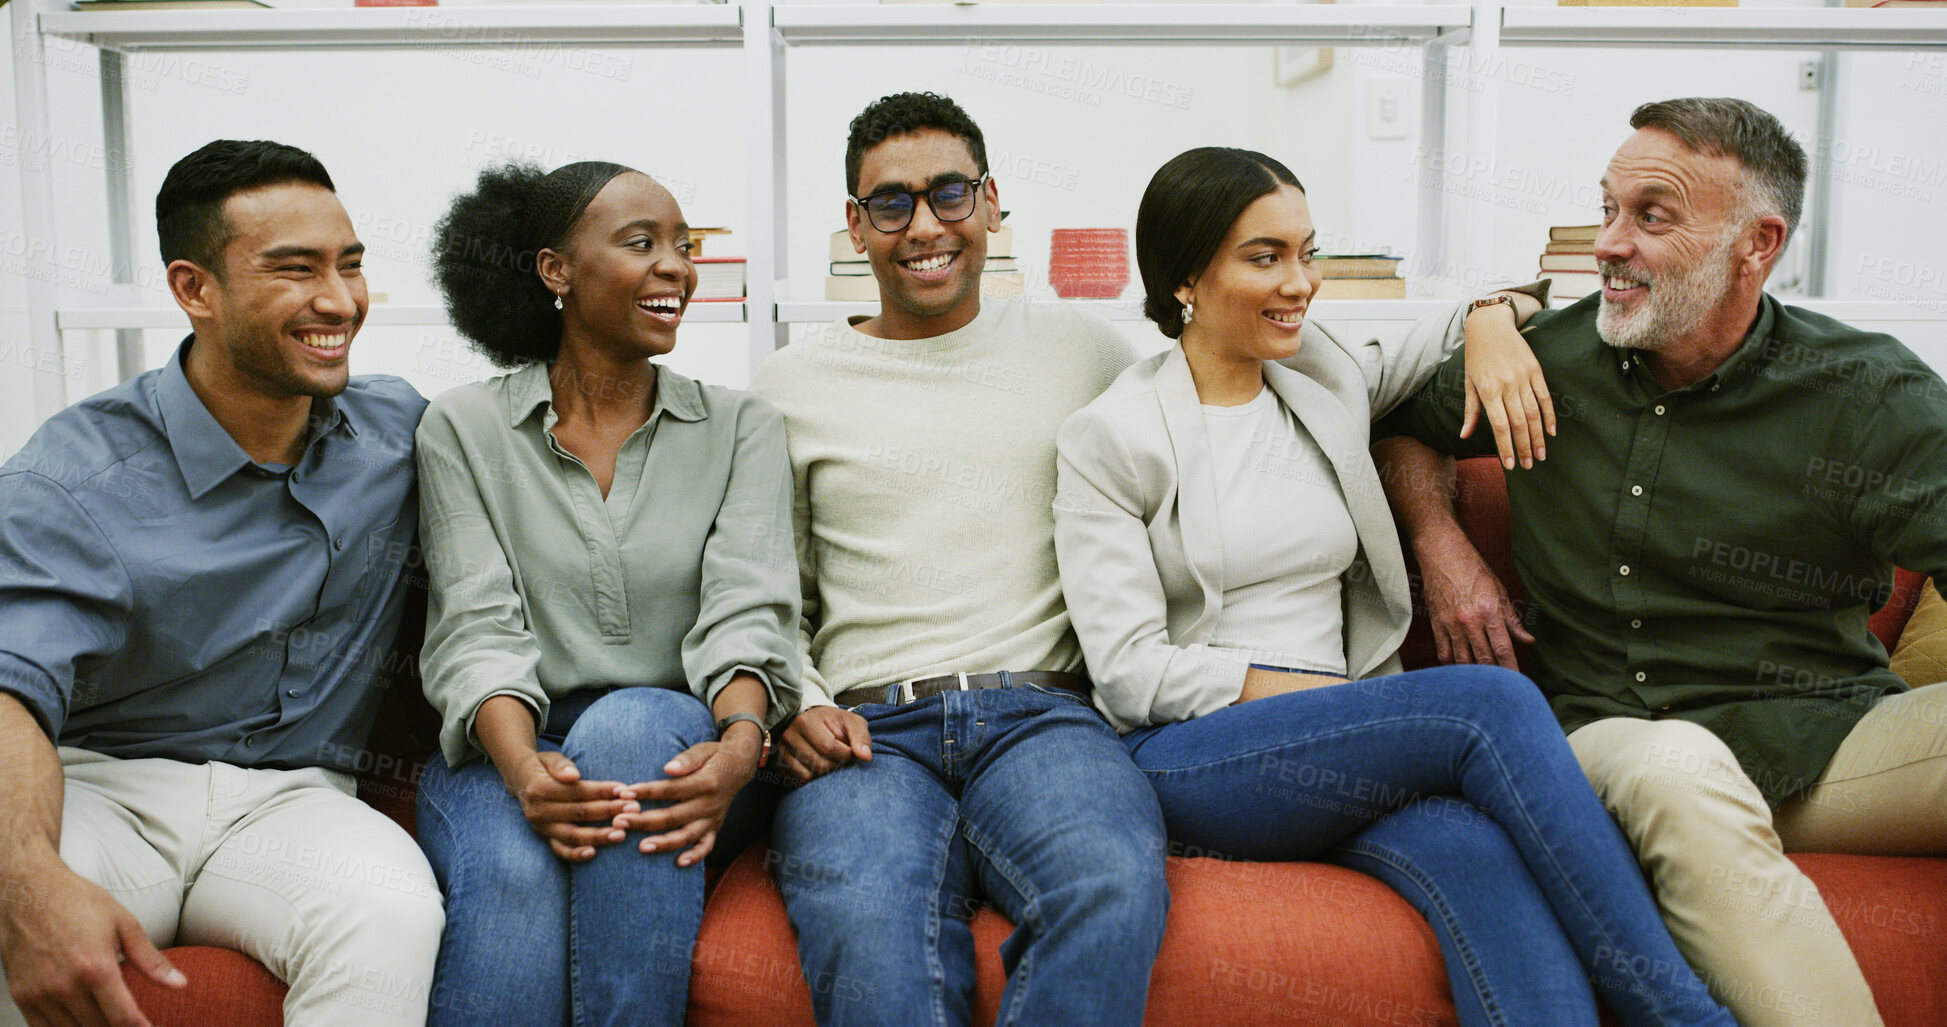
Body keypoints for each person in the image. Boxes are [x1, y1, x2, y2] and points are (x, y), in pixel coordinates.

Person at [1053, 145, 1734, 1027]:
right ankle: (1682, 1015)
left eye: (1307, 252)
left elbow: (1470, 320)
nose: (1299, 282)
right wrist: (1331, 699)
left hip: (1343, 753)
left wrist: (1490, 317)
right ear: (1185, 274)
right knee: (1490, 705)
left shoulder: (1322, 376)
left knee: (1481, 858)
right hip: (1195, 755)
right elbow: (1127, 670)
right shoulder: (1112, 436)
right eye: (1264, 257)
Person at [1376, 96, 1947, 1027]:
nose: (1607, 243)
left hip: (1824, 742)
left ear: (1756, 243)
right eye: (1606, 209)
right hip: (1615, 734)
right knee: (1678, 767)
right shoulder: (1542, 362)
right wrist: (1443, 547)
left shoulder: (1868, 393)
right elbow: (1402, 427)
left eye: (1650, 216)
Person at [747, 92, 1170, 1027]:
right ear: (855, 227)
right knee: (866, 924)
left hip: (1044, 715)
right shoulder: (787, 386)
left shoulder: (1088, 353)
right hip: (864, 733)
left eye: (949, 194)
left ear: (989, 203)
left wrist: (1485, 318)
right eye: (890, 204)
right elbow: (761, 587)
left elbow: (1246, 362)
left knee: (1108, 885)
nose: (924, 226)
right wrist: (800, 701)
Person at [0, 139, 442, 1027]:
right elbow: (8, 689)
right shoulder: (71, 478)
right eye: (295, 269)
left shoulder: (403, 431)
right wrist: (30, 880)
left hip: (300, 800)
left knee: (390, 913)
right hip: (108, 787)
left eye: (350, 266)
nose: (339, 301)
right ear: (194, 289)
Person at [413, 160, 800, 1027]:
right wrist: (523, 770)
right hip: (511, 741)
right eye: (641, 243)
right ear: (556, 271)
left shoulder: (743, 428)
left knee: (626, 725)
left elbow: (749, 615)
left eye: (683, 246)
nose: (676, 267)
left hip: (679, 743)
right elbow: (475, 628)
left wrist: (741, 748)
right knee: (512, 877)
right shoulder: (464, 427)